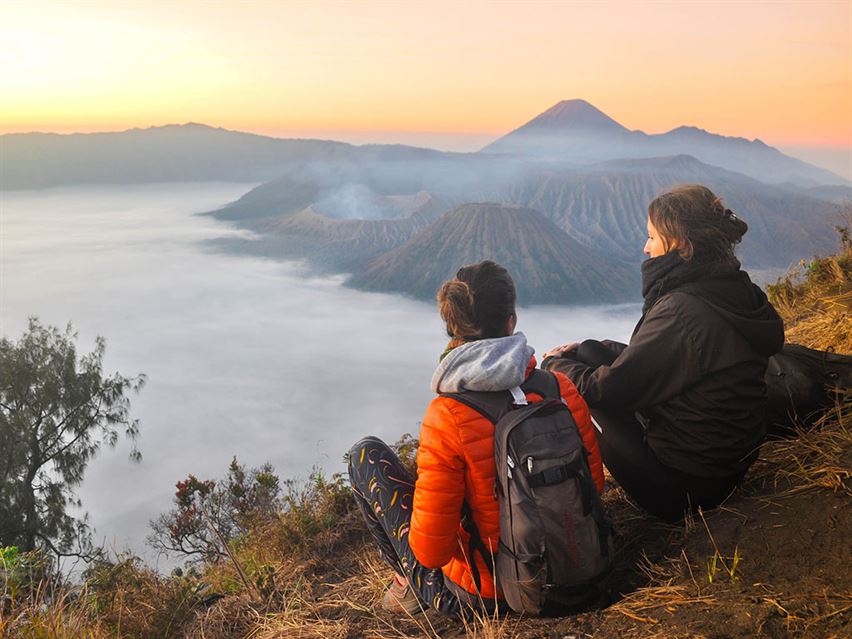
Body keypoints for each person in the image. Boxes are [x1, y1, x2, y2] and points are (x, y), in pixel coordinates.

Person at [347, 260, 604, 616]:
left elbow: (431, 553)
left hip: (487, 597)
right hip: (578, 567)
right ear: (511, 321)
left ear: (453, 331)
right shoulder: (559, 389)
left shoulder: (448, 414)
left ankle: (408, 585)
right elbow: (594, 487)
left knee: (365, 456)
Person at [542, 184, 784, 522]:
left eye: (652, 238)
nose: (645, 247)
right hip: (725, 467)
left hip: (684, 488)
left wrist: (554, 367)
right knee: (589, 351)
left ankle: (577, 507)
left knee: (579, 395)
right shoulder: (733, 288)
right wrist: (583, 354)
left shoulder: (683, 311)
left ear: (681, 244)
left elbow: (606, 391)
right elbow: (670, 356)